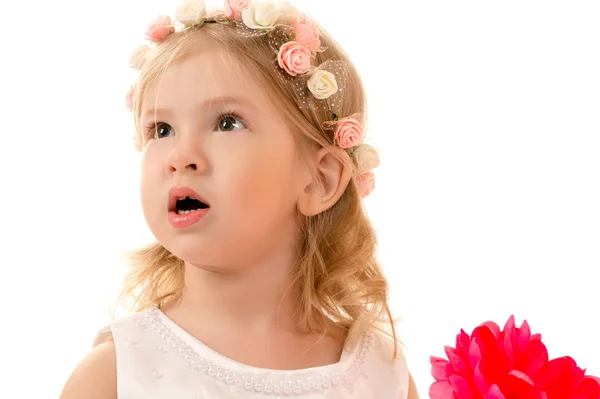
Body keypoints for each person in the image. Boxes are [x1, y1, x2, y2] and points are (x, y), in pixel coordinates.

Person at [60, 0, 419, 397]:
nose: (180, 157)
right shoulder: (115, 375)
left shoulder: (381, 376)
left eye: (227, 123)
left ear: (320, 179)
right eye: (161, 130)